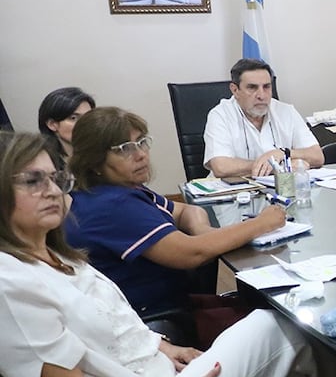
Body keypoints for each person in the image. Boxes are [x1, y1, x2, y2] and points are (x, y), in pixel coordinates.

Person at [0, 131, 336, 377]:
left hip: (162, 374)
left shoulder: (54, 253)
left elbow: (112, 326)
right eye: (32, 180)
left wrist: (162, 347)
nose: (52, 190)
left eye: (54, 178)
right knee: (280, 327)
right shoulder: (10, 282)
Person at [64, 107, 287, 322]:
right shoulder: (114, 205)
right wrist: (262, 223)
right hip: (159, 319)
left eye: (142, 142)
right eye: (125, 149)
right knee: (277, 322)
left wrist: (201, 230)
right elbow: (191, 253)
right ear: (94, 162)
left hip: (172, 304)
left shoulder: (120, 189)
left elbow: (186, 210)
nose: (141, 155)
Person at [203, 58, 323, 179]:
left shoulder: (286, 111)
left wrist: (282, 154)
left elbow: (317, 156)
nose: (261, 95)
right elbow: (221, 167)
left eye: (266, 87)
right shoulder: (220, 115)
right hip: (231, 193)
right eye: (252, 87)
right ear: (235, 90)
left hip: (279, 190)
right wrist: (277, 166)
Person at [37, 87, 95, 170]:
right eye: (74, 118)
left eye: (88, 117)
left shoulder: (98, 155)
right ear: (52, 124)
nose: (85, 123)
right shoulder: (43, 163)